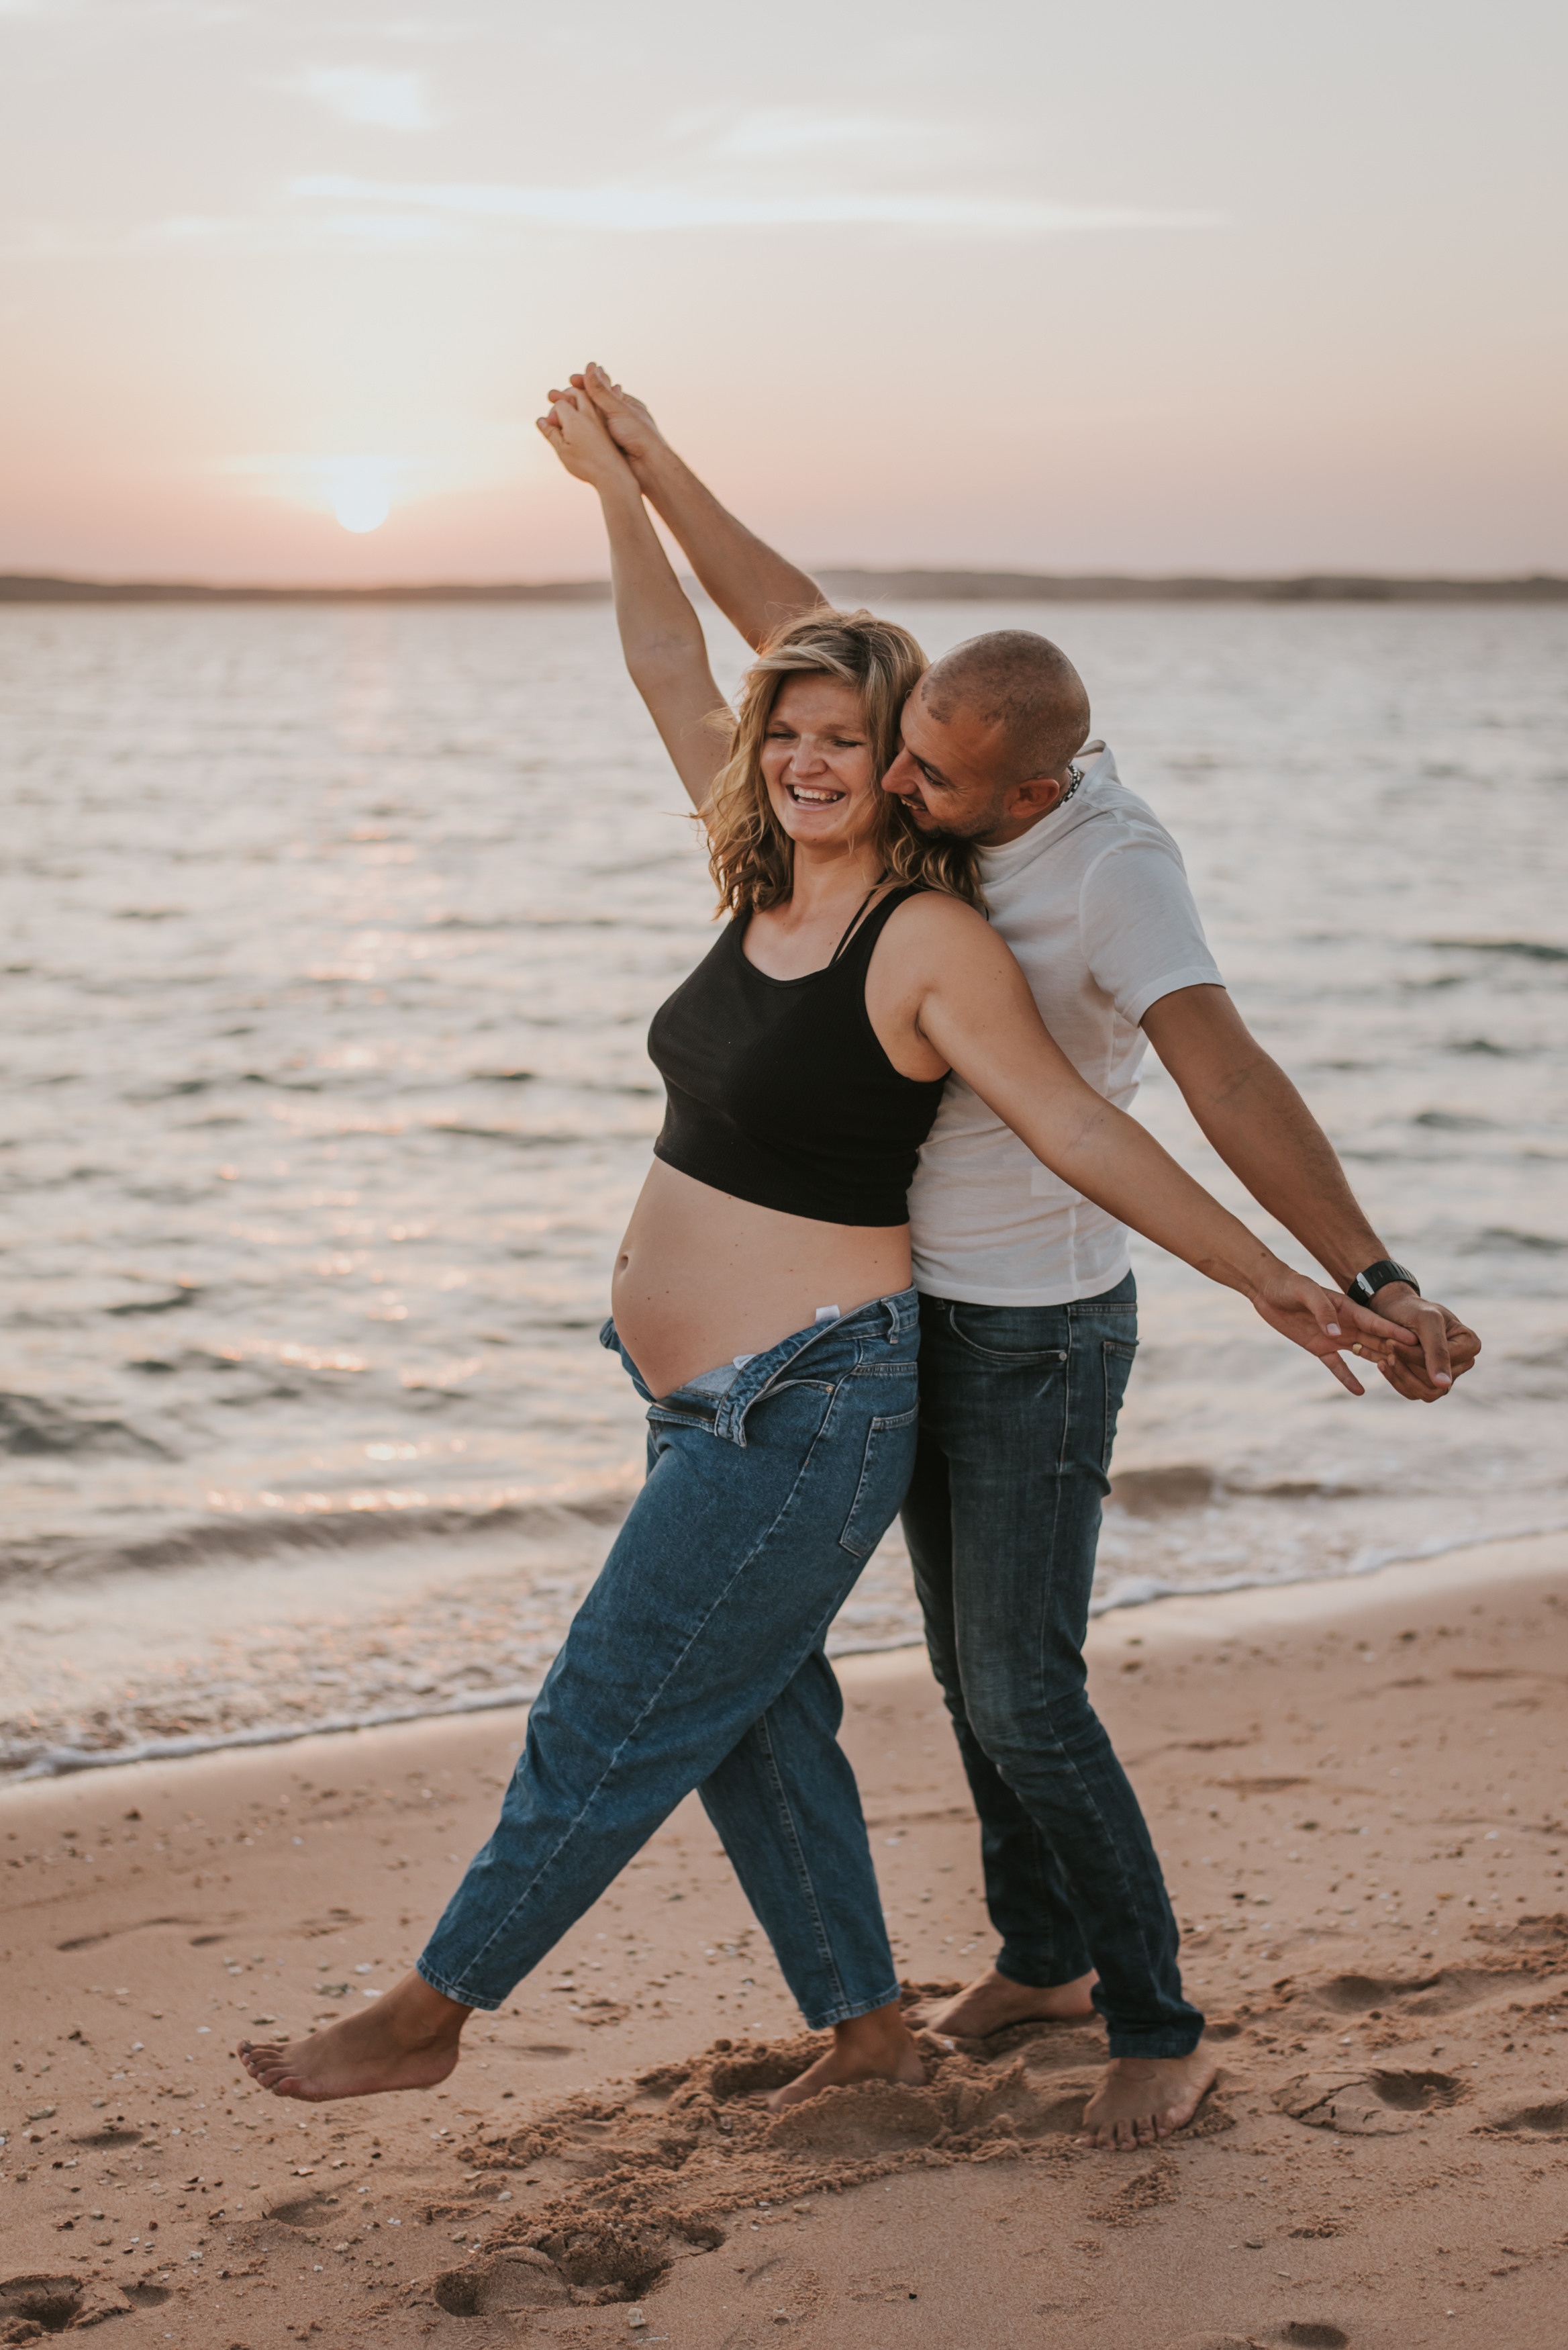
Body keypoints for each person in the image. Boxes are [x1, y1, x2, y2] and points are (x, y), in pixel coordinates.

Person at [236, 384, 1415, 2124]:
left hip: (812, 1391)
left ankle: (433, 2005)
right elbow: (677, 658)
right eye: (783, 732)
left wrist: (1291, 1280)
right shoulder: (759, 869)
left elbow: (1089, 1126)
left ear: (926, 777)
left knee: (626, 1700)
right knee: (757, 1707)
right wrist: (619, 484)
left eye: (851, 744)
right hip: (694, 1389)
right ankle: (870, 2033)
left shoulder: (934, 928)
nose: (804, 757)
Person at [545, 363, 1483, 2150]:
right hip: (902, 1315)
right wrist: (644, 470)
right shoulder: (924, 789)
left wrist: (1360, 1276)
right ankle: (1042, 1957)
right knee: (970, 1673)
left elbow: (1217, 1077)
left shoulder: (1113, 869)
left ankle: (1156, 2015)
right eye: (892, 752)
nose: (893, 780)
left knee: (1023, 1689)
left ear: (1035, 783)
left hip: (1040, 1328)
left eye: (932, 771)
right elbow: (777, 640)